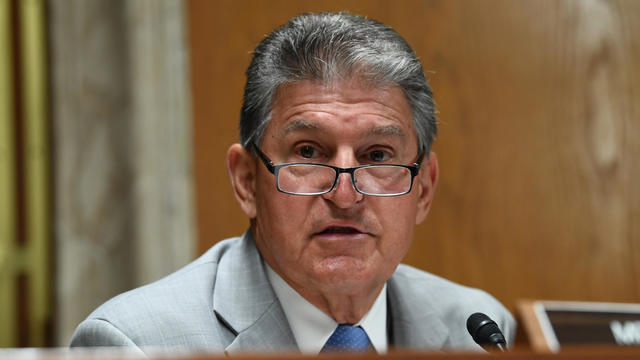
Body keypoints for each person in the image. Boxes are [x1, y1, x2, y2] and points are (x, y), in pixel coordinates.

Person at [70, 12, 515, 354]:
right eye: (308, 153)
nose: (345, 195)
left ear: (424, 189)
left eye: (377, 155)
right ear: (246, 181)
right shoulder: (136, 344)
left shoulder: (478, 330)